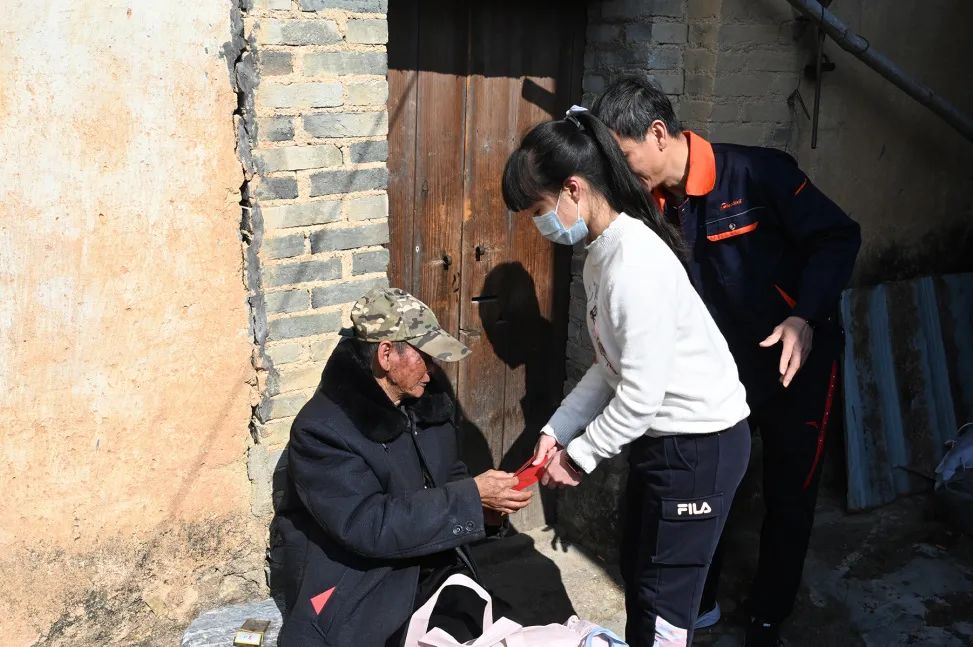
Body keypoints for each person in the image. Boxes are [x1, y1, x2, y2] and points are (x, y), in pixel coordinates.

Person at [592, 75, 862, 647]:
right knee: (709, 488)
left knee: (790, 492)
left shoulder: (757, 174)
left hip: (796, 362)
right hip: (721, 373)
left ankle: (768, 615)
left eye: (623, 155)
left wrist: (804, 316)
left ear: (657, 133)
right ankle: (701, 602)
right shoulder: (646, 208)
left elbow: (838, 237)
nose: (618, 173)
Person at [502, 106, 752, 647]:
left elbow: (639, 396)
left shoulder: (632, 264)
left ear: (573, 188)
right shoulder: (602, 252)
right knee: (641, 573)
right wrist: (556, 430)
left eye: (539, 209)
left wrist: (578, 457)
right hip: (667, 442)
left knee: (664, 605)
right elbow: (609, 366)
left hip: (698, 446)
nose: (539, 225)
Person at [272, 287, 532, 647]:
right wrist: (470, 498)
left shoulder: (427, 401)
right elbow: (369, 524)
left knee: (504, 631)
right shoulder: (322, 431)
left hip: (436, 566)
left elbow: (450, 474)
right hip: (369, 587)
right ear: (386, 354)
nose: (433, 369)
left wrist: (486, 511)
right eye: (425, 357)